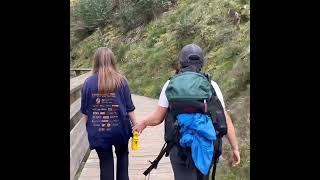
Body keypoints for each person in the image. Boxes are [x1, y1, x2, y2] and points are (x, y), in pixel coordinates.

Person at [134, 44, 240, 180]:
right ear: (202, 62)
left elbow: (157, 118)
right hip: (206, 144)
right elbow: (225, 119)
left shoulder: (171, 84)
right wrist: (235, 147)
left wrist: (143, 123)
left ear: (181, 62)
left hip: (179, 144)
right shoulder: (211, 85)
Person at [80, 47, 137, 180]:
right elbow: (129, 108)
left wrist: (89, 129)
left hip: (98, 131)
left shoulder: (88, 83)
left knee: (105, 164)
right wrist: (136, 125)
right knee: (122, 158)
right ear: (113, 61)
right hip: (120, 129)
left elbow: (85, 111)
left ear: (96, 62)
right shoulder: (121, 81)